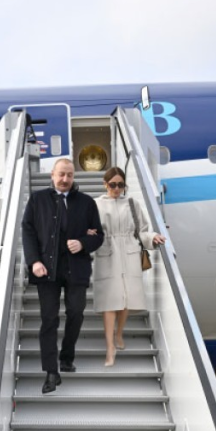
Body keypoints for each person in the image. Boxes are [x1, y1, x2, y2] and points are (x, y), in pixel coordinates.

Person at [21, 158, 104, 394]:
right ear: (52, 175)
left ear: (73, 176)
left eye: (69, 175)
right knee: (49, 319)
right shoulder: (37, 199)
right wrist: (34, 261)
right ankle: (51, 372)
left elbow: (99, 235)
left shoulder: (87, 203)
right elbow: (28, 231)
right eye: (61, 174)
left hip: (76, 268)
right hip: (46, 269)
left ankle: (66, 357)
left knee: (76, 313)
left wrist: (83, 243)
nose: (65, 179)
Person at [91, 167, 166, 367]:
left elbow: (142, 231)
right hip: (107, 253)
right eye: (113, 185)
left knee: (126, 300)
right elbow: (89, 229)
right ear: (105, 184)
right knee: (109, 303)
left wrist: (153, 237)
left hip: (130, 252)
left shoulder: (132, 203)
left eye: (121, 185)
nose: (117, 188)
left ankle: (119, 333)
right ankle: (110, 347)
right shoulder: (95, 204)